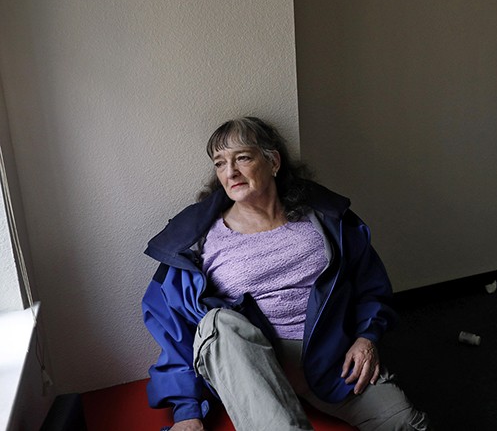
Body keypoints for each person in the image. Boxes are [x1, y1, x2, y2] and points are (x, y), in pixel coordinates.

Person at [142, 117, 429, 431]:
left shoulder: (326, 220)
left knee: (406, 423)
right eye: (220, 163)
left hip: (330, 361)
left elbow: (369, 284)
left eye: (243, 158)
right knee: (218, 323)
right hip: (251, 373)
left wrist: (366, 338)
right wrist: (188, 412)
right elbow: (172, 328)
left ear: (273, 161)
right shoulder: (198, 240)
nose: (231, 172)